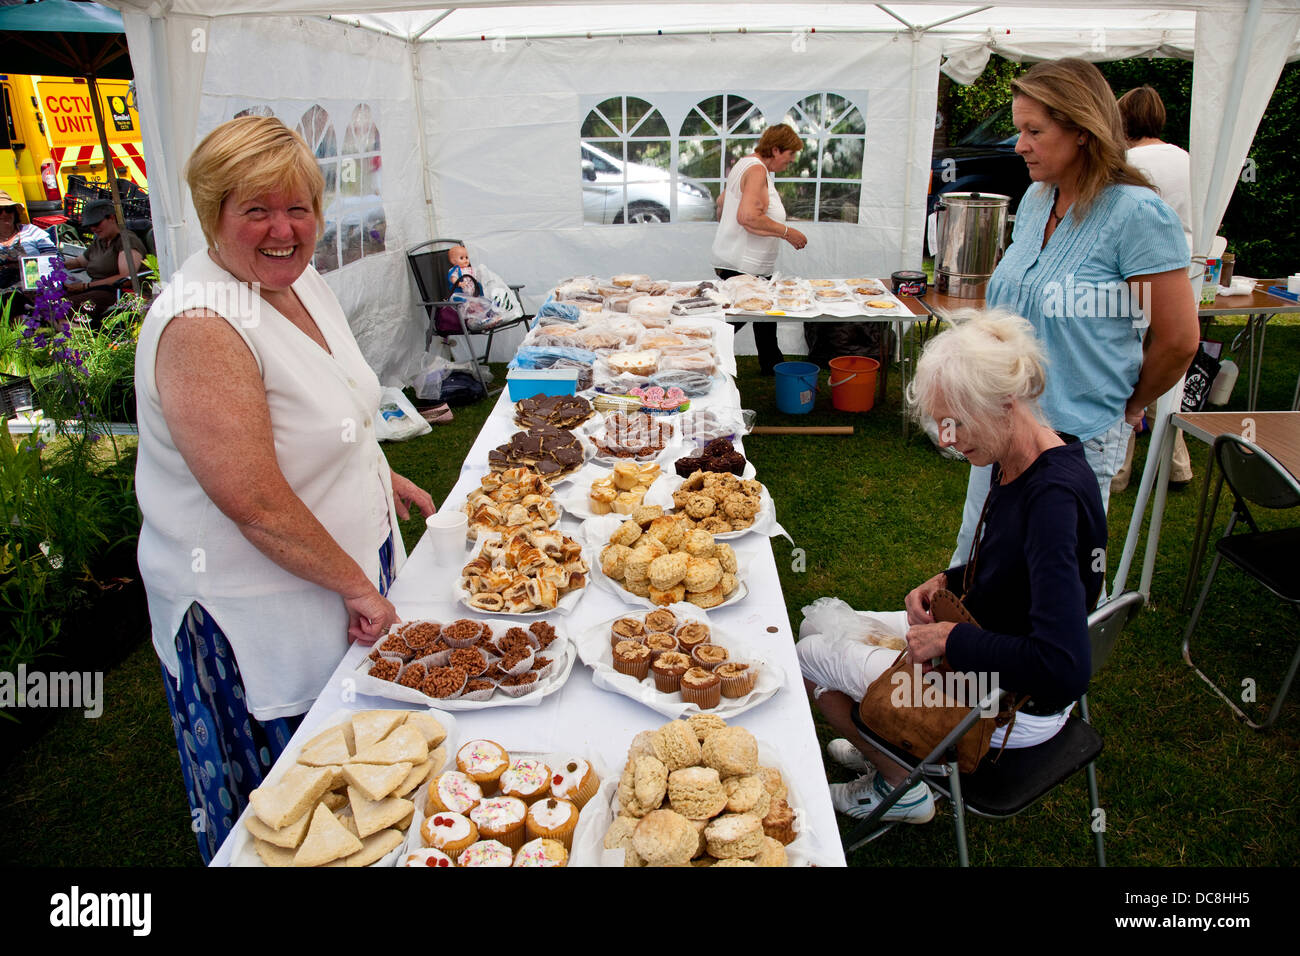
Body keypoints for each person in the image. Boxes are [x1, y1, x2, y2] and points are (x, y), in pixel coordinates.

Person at [134, 116, 436, 862]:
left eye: (298, 208)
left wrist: (371, 468)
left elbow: (330, 405)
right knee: (300, 811)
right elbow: (256, 501)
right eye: (256, 210)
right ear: (212, 215)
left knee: (372, 777)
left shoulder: (298, 282)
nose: (282, 228)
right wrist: (358, 589)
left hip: (337, 571)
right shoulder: (203, 323)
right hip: (259, 605)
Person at [798, 309, 1107, 822]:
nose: (946, 439)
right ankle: (892, 746)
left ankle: (902, 785)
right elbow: (1011, 566)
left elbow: (1065, 665)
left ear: (1006, 405)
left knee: (807, 655)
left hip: (1010, 705)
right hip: (990, 656)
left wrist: (948, 641)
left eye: (956, 422)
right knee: (818, 621)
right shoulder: (1028, 459)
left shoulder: (1052, 501)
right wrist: (949, 581)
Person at [949, 58, 1198, 566]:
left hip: (1075, 438)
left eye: (1034, 131)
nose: (1020, 145)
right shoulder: (1039, 198)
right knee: (977, 565)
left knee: (1054, 581)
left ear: (1082, 130)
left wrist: (1131, 406)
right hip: (1001, 424)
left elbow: (1177, 339)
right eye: (1020, 130)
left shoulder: (1137, 215)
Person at [1111, 85, 1194, 490]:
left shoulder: (1124, 162)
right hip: (1185, 272)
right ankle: (1176, 464)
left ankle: (1118, 469)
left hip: (1138, 274)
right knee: (1170, 369)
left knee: (1132, 364)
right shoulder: (1187, 159)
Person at [711, 124, 809, 375]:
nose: (792, 160)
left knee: (765, 312)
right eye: (790, 154)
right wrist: (788, 233)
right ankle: (702, 349)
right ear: (776, 149)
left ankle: (771, 362)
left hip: (735, 258)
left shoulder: (745, 164)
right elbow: (748, 217)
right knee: (734, 320)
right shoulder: (756, 170)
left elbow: (722, 204)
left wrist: (729, 229)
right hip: (742, 264)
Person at [62, 199, 147, 324]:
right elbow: (80, 262)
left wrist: (85, 286)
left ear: (112, 217)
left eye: (96, 223)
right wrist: (55, 265)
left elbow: (126, 279)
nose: (93, 228)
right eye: (89, 226)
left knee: (65, 307)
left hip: (117, 293)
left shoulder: (126, 240)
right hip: (96, 291)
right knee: (52, 302)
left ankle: (81, 337)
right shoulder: (100, 241)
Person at [0, 190, 56, 289]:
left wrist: (26, 262)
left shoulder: (31, 231)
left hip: (35, 286)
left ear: (15, 213)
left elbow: (54, 259)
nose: (4, 214)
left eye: (9, 210)